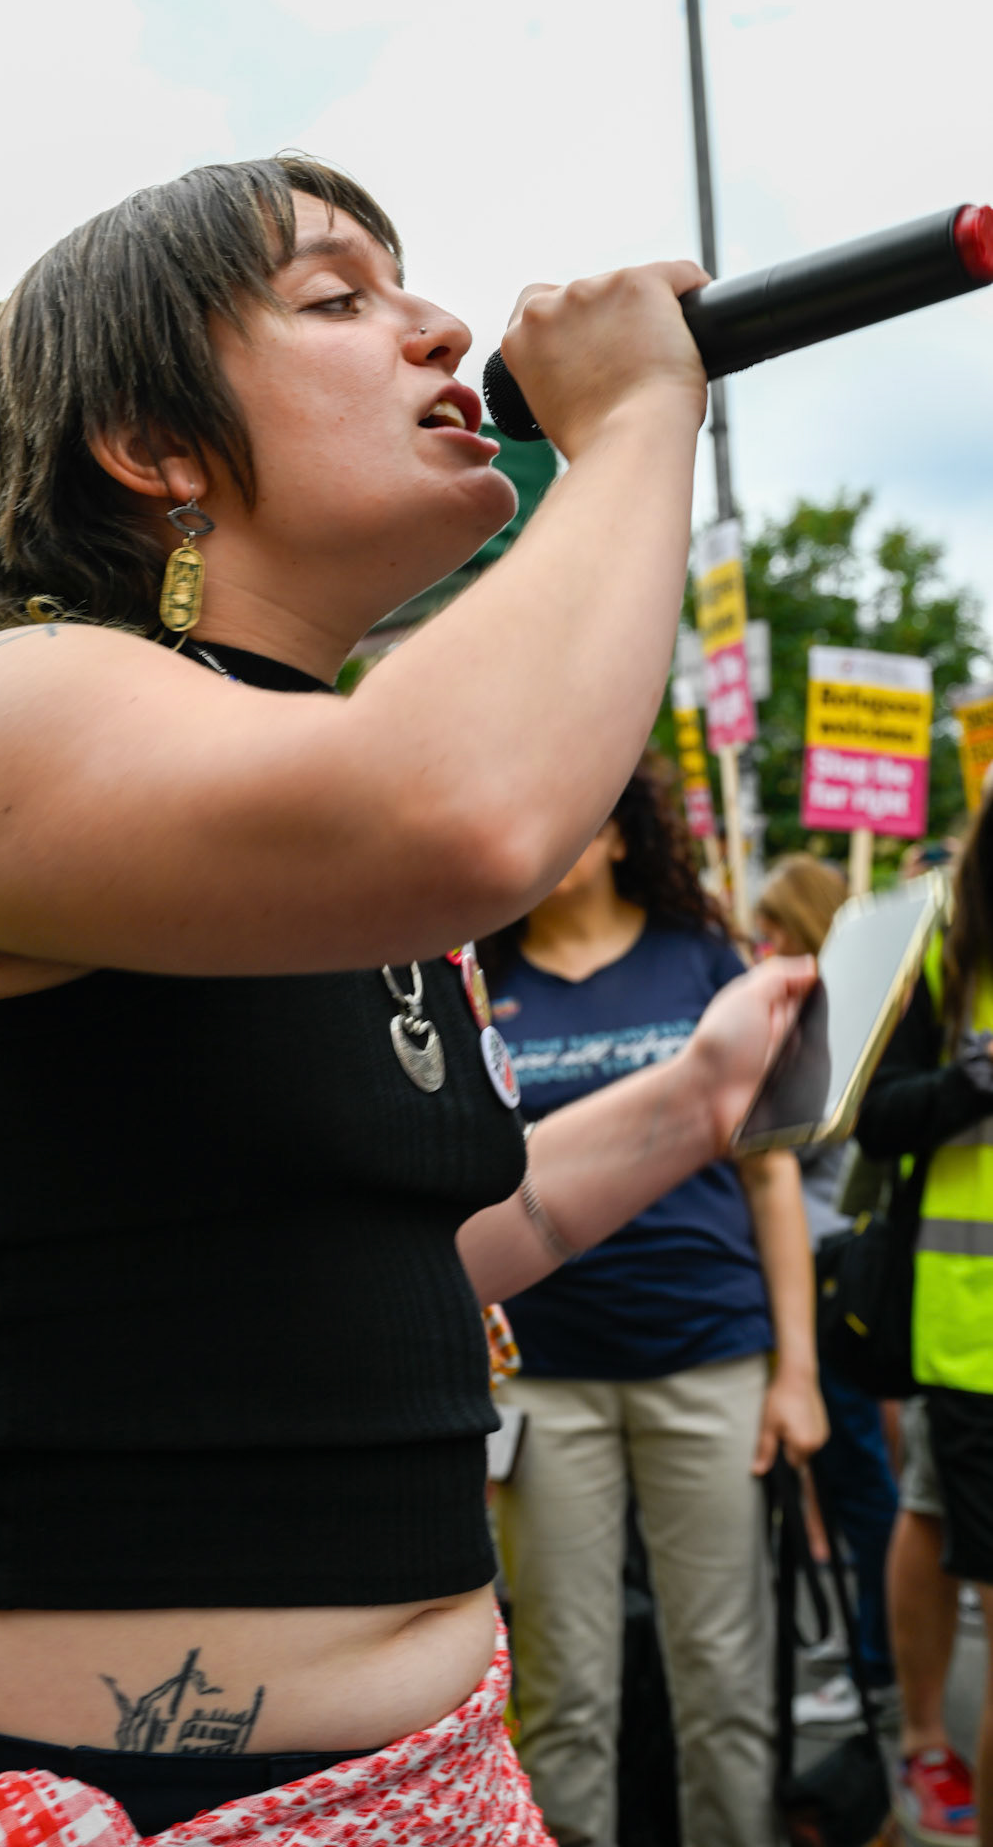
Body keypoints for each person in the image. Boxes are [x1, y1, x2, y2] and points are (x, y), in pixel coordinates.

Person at [0, 157, 814, 1847]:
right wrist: (629, 429)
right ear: (157, 447)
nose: (444, 327)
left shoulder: (315, 806)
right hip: (87, 1799)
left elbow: (390, 1258)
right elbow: (468, 809)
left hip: (430, 1775)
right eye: (341, 298)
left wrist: (694, 1099)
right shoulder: (6, 714)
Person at [476, 755, 825, 1847]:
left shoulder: (704, 962)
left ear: (624, 834)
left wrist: (797, 1373)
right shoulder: (479, 976)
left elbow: (773, 1176)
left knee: (722, 1668)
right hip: (546, 1380)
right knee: (565, 1683)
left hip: (709, 1359)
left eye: (573, 820)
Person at [856, 788, 993, 1846]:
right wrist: (971, 1082)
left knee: (931, 1508)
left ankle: (929, 1750)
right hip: (967, 1334)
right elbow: (874, 1113)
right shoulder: (949, 956)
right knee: (929, 1509)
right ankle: (923, 1741)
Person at [754, 854, 902, 1732]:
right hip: (830, 1259)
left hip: (823, 1264)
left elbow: (789, 1147)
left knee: (858, 1477)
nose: (763, 944)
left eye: (774, 928)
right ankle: (866, 1649)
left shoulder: (831, 1020)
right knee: (857, 1473)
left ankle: (872, 1661)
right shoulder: (845, 1008)